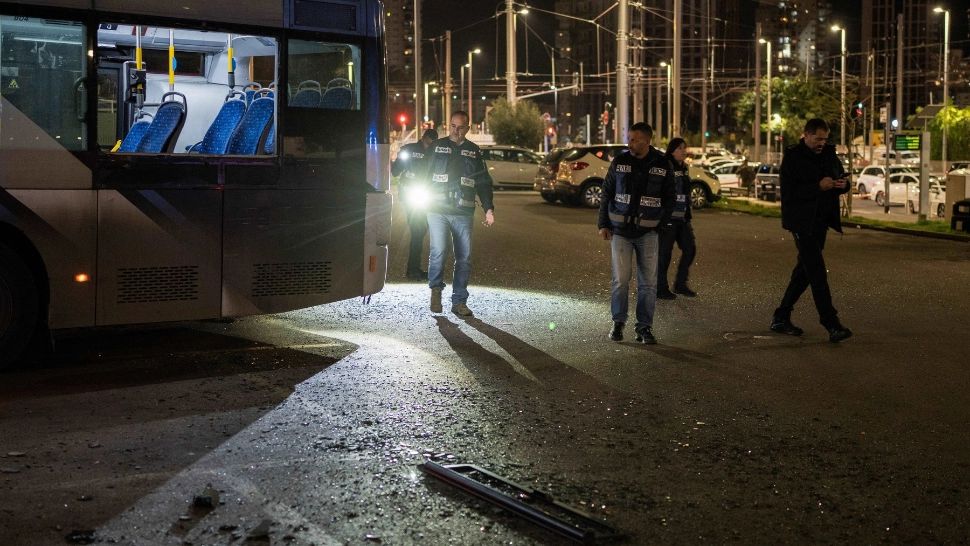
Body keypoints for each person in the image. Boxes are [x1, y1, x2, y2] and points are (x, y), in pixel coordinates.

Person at [771, 118, 852, 343]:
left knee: (804, 272)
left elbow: (840, 177)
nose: (822, 143)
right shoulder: (793, 157)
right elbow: (790, 193)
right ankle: (831, 323)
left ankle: (781, 316)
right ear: (805, 135)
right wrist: (818, 186)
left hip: (820, 221)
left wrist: (842, 185)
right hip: (801, 222)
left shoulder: (828, 155)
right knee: (816, 272)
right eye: (818, 139)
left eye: (825, 139)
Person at [597, 122, 675, 344]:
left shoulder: (662, 164)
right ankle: (618, 322)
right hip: (621, 232)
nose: (629, 143)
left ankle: (644, 328)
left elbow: (670, 197)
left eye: (634, 139)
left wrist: (661, 224)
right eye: (629, 138)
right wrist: (603, 224)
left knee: (648, 284)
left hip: (648, 233)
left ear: (647, 141)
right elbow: (606, 193)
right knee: (620, 281)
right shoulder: (620, 162)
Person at [425, 111, 495, 317]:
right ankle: (435, 290)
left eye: (461, 127)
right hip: (437, 209)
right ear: (449, 126)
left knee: (464, 257)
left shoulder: (474, 151)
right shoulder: (437, 146)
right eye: (453, 126)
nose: (456, 131)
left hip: (463, 211)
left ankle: (459, 301)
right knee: (438, 250)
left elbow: (483, 182)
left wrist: (488, 208)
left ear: (468, 128)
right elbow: (424, 174)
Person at [391, 128, 438, 280]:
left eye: (433, 142)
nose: (430, 145)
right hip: (411, 195)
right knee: (418, 231)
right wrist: (396, 162)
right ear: (423, 138)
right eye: (429, 141)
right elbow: (395, 171)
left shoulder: (436, 153)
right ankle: (413, 270)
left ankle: (414, 269)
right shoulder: (409, 150)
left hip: (427, 195)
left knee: (421, 231)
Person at [656, 137, 697, 299]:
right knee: (664, 254)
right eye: (680, 148)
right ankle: (660, 288)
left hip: (683, 218)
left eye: (684, 148)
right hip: (669, 218)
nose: (683, 151)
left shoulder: (684, 167)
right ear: (672, 150)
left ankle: (680, 284)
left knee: (690, 249)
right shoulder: (666, 165)